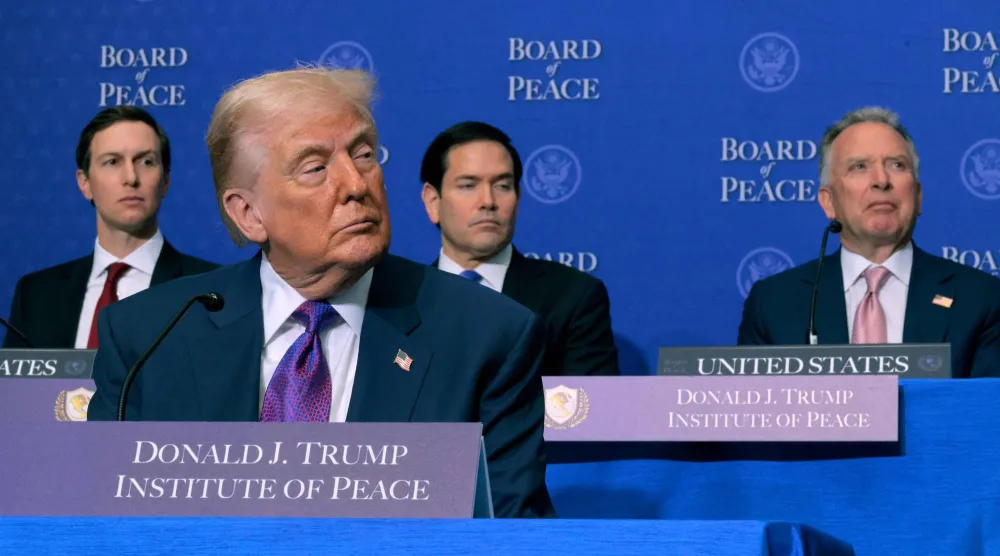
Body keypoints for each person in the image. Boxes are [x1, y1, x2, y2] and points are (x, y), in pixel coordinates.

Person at [86, 68, 556, 518]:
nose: (356, 185)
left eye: (365, 154)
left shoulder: (486, 337)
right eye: (315, 168)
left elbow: (512, 533)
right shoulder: (148, 337)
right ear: (248, 213)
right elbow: (100, 523)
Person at [738, 106, 1000, 378]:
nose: (881, 180)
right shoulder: (774, 303)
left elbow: (984, 414)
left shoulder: (981, 299)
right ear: (829, 201)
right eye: (859, 166)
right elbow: (757, 415)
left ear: (918, 196)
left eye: (897, 165)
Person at [2, 106, 218, 349]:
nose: (131, 177)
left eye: (146, 161)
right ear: (85, 183)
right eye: (112, 161)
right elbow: (17, 387)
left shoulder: (210, 291)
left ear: (165, 181)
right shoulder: (36, 295)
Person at [420, 121, 620, 376]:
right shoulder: (401, 300)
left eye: (502, 186)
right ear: (433, 201)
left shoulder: (573, 297)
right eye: (468, 185)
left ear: (518, 195)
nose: (488, 202)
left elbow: (591, 411)